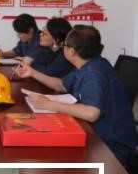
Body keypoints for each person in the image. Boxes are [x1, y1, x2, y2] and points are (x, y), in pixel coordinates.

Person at [15, 25, 138, 165]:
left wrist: (50, 104)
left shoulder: (93, 74)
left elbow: (91, 113)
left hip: (110, 146)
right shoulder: (88, 64)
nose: (62, 47)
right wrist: (32, 73)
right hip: (94, 133)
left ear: (71, 51)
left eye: (64, 45)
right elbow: (61, 85)